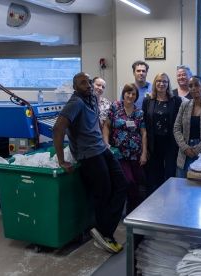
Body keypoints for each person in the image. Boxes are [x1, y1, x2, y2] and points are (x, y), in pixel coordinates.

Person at [53, 72, 127, 254]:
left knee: (122, 185)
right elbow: (58, 128)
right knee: (103, 193)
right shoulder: (75, 103)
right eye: (82, 83)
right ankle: (105, 233)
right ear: (75, 87)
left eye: (88, 82)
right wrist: (62, 160)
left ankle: (102, 229)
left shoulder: (92, 98)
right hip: (88, 155)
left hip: (102, 149)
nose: (87, 85)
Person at [103, 83, 147, 214]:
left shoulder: (139, 112)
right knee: (129, 181)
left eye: (133, 94)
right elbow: (106, 126)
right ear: (124, 93)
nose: (130, 96)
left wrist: (144, 153)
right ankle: (125, 212)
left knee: (138, 183)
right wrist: (106, 144)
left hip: (135, 154)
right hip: (119, 153)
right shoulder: (115, 107)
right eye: (128, 92)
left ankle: (133, 212)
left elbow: (144, 132)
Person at [142, 73, 183, 195]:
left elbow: (180, 122)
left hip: (170, 142)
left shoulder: (176, 100)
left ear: (168, 84)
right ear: (155, 83)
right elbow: (144, 123)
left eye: (165, 81)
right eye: (159, 81)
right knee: (154, 174)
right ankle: (154, 200)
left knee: (170, 172)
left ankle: (169, 199)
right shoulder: (148, 101)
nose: (161, 84)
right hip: (153, 143)